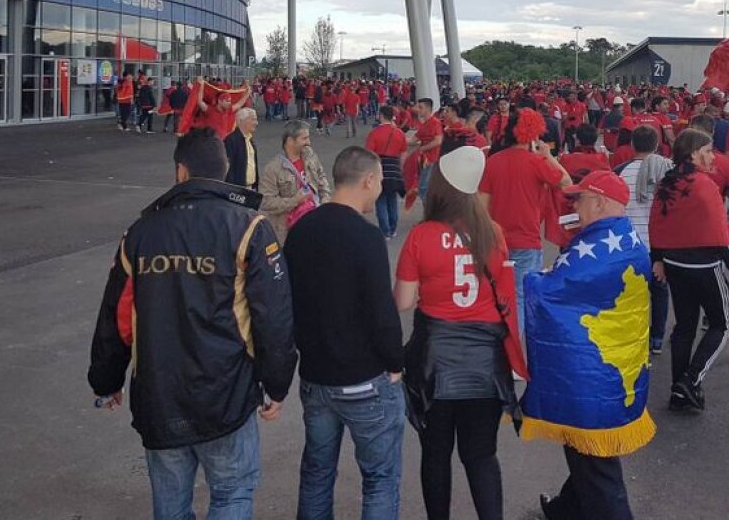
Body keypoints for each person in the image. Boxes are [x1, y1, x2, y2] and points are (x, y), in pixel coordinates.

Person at [87, 128, 297, 520]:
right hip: (226, 396)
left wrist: (107, 379)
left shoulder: (140, 233)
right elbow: (274, 316)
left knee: (170, 506)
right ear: (225, 170)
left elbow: (118, 317)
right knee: (232, 495)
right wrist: (277, 383)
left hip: (159, 395)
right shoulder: (249, 227)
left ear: (181, 172)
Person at [395, 146, 528, 520]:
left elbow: (403, 301)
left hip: (434, 360)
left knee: (435, 456)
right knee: (481, 456)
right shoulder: (493, 232)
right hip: (485, 361)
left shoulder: (422, 235)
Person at [283, 147, 406, 520]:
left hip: (316, 376)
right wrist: (395, 362)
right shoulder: (365, 237)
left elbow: (288, 300)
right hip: (363, 380)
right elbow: (381, 311)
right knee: (380, 478)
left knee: (317, 473)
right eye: (380, 183)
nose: (379, 190)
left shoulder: (301, 230)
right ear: (368, 180)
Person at [524, 170, 654, 520]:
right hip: (608, 373)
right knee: (587, 456)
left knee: (597, 468)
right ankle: (566, 510)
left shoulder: (600, 248)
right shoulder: (618, 237)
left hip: (593, 378)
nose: (575, 205)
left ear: (599, 202)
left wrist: (529, 278)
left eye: (580, 199)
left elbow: (552, 292)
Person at [649, 129, 729, 412]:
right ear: (693, 153)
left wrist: (658, 257)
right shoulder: (704, 184)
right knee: (722, 323)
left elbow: (657, 221)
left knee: (684, 327)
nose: (711, 155)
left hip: (675, 264)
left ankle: (679, 388)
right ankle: (691, 380)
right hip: (704, 265)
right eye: (707, 150)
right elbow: (719, 234)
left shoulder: (668, 181)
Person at [478, 108, 572, 331]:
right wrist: (547, 156)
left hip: (495, 241)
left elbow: (481, 205)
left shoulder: (493, 161)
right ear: (533, 135)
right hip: (527, 242)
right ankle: (515, 354)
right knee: (520, 298)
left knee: (494, 296)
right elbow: (566, 183)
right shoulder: (536, 163)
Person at [619, 125, 673, 355]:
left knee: (629, 293)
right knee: (660, 292)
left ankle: (632, 335)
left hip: (629, 243)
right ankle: (657, 338)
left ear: (632, 145)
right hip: (658, 244)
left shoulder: (619, 172)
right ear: (656, 145)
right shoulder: (666, 172)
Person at [258, 120, 332, 244]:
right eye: (304, 138)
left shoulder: (310, 156)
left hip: (315, 223)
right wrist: (295, 201)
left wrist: (325, 200)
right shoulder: (273, 168)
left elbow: (321, 177)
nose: (309, 142)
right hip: (289, 232)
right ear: (290, 141)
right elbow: (266, 202)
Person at [365, 106, 408, 239]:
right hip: (394, 169)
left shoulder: (374, 133)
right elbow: (403, 153)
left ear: (381, 116)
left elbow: (369, 154)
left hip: (380, 168)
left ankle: (385, 231)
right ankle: (393, 228)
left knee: (381, 200)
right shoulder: (399, 133)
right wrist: (401, 170)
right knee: (392, 199)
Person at [410, 98, 444, 203]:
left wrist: (423, 148)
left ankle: (431, 213)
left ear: (428, 109)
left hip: (432, 159)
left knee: (423, 188)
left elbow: (438, 140)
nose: (418, 110)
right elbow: (412, 140)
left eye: (421, 107)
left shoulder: (434, 122)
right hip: (425, 160)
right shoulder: (425, 124)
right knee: (424, 188)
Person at [224, 108, 260, 190]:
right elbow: (228, 168)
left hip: (251, 188)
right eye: (253, 120)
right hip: (238, 190)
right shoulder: (231, 140)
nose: (256, 123)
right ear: (241, 121)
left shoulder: (250, 140)